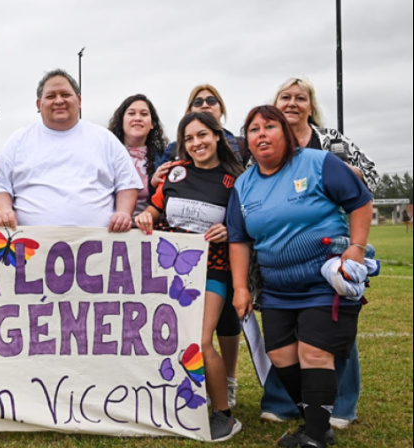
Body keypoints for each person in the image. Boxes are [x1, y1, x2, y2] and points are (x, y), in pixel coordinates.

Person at [228, 106, 373, 448]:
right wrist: (239, 288)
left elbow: (360, 201)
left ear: (286, 133)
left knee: (315, 354)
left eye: (270, 127)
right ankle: (316, 422)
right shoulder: (243, 185)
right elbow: (239, 239)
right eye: (253, 129)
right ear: (246, 141)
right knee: (280, 357)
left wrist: (356, 248)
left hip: (326, 280)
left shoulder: (317, 163)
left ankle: (317, 435)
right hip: (278, 287)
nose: (261, 134)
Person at [259, 77, 380, 429]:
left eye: (301, 98)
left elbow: (370, 177)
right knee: (283, 331)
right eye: (285, 97)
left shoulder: (332, 142)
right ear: (275, 104)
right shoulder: (267, 140)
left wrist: (340, 173)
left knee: (335, 325)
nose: (292, 103)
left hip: (333, 249)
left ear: (312, 107)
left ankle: (341, 405)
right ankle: (283, 402)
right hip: (281, 251)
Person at [135, 112, 244, 442]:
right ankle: (172, 399)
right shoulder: (175, 173)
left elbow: (246, 227)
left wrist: (230, 229)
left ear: (216, 137)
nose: (197, 143)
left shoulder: (235, 179)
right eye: (190, 138)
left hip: (213, 270)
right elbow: (156, 207)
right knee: (162, 338)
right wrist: (145, 216)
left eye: (203, 135)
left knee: (199, 339)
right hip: (168, 270)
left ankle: (223, 414)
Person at [0, 69, 142, 231]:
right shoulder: (18, 141)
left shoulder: (105, 139)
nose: (59, 101)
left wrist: (123, 212)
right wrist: (4, 210)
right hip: (32, 247)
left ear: (79, 100)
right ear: (38, 104)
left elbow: (126, 182)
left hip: (99, 246)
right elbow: (1, 185)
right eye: (50, 96)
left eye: (65, 94)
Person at [108, 94, 170, 217]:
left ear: (152, 124)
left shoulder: (165, 159)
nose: (137, 118)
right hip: (109, 228)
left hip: (148, 231)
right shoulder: (106, 154)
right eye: (131, 113)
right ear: (121, 121)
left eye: (144, 114)